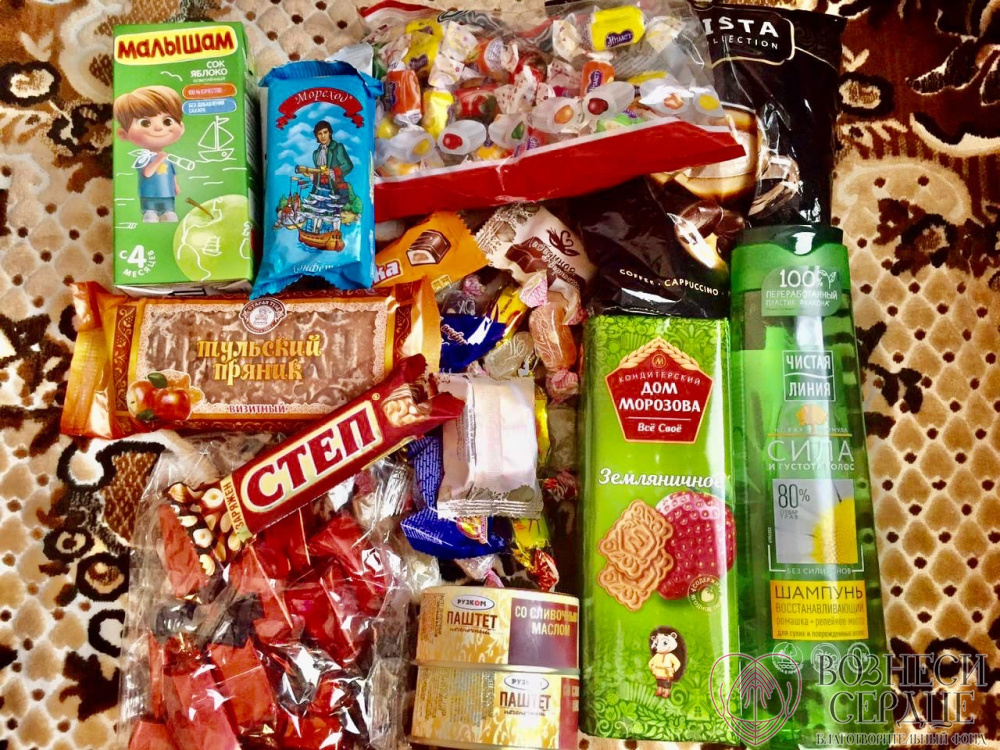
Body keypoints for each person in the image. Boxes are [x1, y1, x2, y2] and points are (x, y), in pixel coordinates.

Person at [114, 85, 185, 222]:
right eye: (145, 123)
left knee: (170, 215)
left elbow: (173, 173)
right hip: (149, 194)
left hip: (167, 193)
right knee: (150, 216)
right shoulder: (144, 157)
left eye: (167, 121)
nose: (158, 128)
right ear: (123, 134)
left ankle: (168, 215)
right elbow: (147, 173)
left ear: (181, 128)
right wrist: (158, 159)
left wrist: (175, 186)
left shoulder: (168, 158)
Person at [296, 121, 361, 215]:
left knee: (334, 214)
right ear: (316, 136)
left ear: (330, 133)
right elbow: (319, 173)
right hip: (320, 189)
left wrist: (332, 171)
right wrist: (310, 174)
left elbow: (348, 165)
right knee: (318, 213)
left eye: (325, 132)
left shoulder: (338, 148)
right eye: (320, 133)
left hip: (335, 189)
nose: (323, 136)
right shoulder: (316, 154)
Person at [648, 627, 687, 699]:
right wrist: (652, 667)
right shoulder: (657, 656)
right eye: (657, 643)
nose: (659, 646)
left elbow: (677, 663)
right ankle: (659, 690)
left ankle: (666, 692)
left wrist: (673, 669)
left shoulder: (670, 656)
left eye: (664, 643)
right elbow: (651, 662)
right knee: (659, 683)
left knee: (666, 684)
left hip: (667, 673)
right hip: (658, 673)